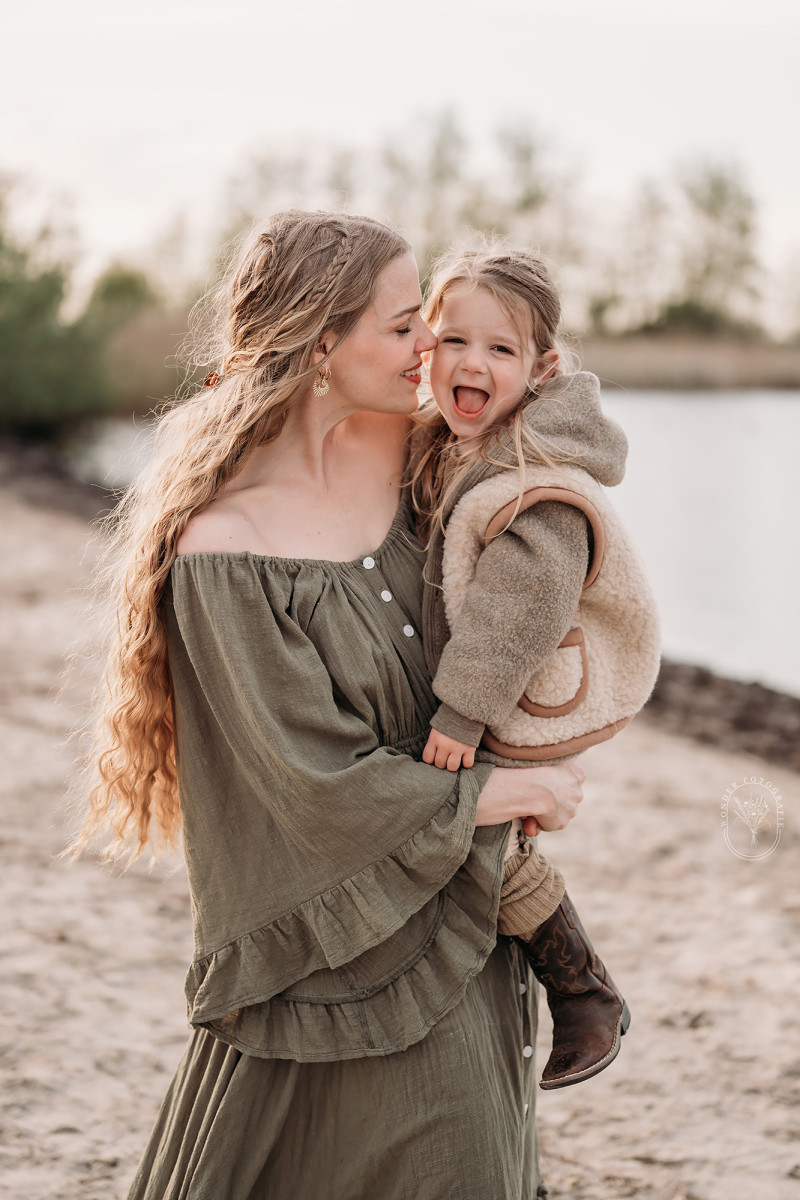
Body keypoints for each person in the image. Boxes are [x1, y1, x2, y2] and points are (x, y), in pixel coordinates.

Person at [77, 211, 586, 1200]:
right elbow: (305, 786)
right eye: (403, 327)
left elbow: (568, 423)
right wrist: (497, 791)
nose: (430, 348)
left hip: (461, 930)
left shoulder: (434, 462)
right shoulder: (224, 555)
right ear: (320, 344)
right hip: (328, 957)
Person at [410, 246, 661, 1091]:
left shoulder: (534, 472)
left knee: (487, 837)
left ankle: (585, 988)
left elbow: (525, 602)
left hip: (516, 692)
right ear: (425, 348)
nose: (471, 363)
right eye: (452, 340)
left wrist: (462, 714)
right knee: (486, 833)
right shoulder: (465, 438)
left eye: (501, 349)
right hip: (492, 687)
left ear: (543, 367)